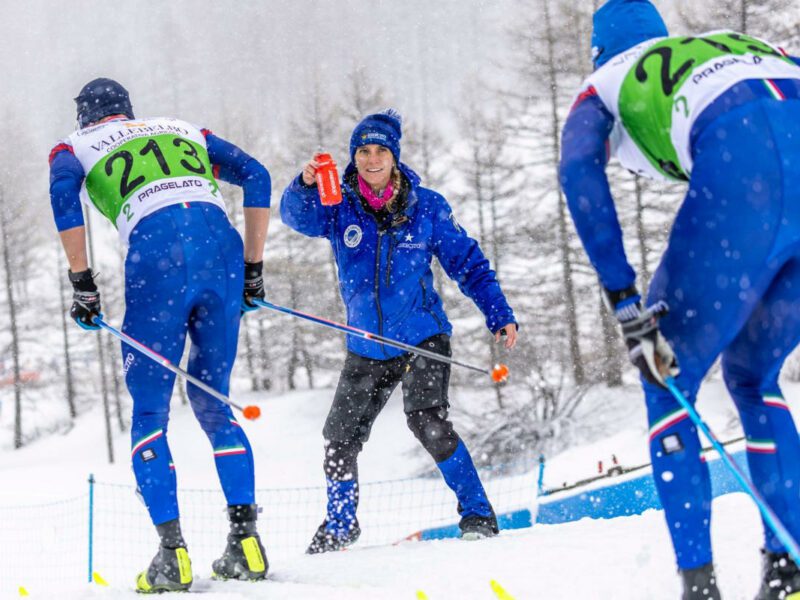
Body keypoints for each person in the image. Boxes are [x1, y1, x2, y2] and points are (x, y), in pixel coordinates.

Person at [559, 1, 800, 598]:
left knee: (666, 377)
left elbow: (576, 171)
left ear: (598, 51)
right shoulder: (726, 46)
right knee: (754, 376)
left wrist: (624, 298)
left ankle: (699, 585)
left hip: (743, 164)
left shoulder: (606, 81)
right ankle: (789, 570)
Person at [48, 78, 271, 592]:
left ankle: (172, 555)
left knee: (150, 411)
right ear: (129, 112)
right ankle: (247, 542)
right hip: (221, 249)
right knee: (214, 402)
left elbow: (63, 196)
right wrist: (253, 268)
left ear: (85, 117)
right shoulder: (185, 129)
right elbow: (256, 174)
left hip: (158, 256)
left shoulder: (73, 146)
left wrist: (82, 283)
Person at [280, 109, 518, 553]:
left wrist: (498, 312)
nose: (372, 160)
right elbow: (295, 217)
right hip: (366, 343)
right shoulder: (338, 206)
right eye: (363, 151)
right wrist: (304, 182)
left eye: (380, 151)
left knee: (428, 422)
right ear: (353, 158)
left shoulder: (426, 206)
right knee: (339, 439)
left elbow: (468, 263)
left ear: (394, 157)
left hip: (421, 336)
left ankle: (478, 513)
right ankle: (340, 525)